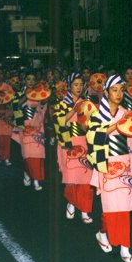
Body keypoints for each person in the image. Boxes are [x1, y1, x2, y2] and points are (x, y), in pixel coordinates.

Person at [87, 74, 132, 262]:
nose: (119, 93)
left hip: (125, 163)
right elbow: (93, 139)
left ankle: (125, 248)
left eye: (121, 89)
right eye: (114, 90)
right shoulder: (96, 115)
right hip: (106, 164)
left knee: (125, 207)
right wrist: (115, 126)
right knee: (110, 208)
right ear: (106, 91)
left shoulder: (126, 113)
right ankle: (103, 233)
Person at [53, 73, 94, 224]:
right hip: (68, 144)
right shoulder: (61, 103)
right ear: (69, 86)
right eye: (75, 84)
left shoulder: (87, 103)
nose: (78, 87)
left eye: (80, 84)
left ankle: (84, 210)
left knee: (85, 179)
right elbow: (59, 121)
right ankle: (71, 202)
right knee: (72, 179)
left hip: (83, 143)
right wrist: (75, 109)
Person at [18, 72, 48, 191]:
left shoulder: (39, 94)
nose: (31, 81)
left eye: (33, 79)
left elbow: (44, 108)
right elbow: (17, 107)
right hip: (25, 128)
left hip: (38, 128)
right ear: (24, 80)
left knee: (37, 155)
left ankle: (36, 179)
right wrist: (26, 95)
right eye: (28, 79)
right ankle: (27, 172)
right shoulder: (20, 93)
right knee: (28, 155)